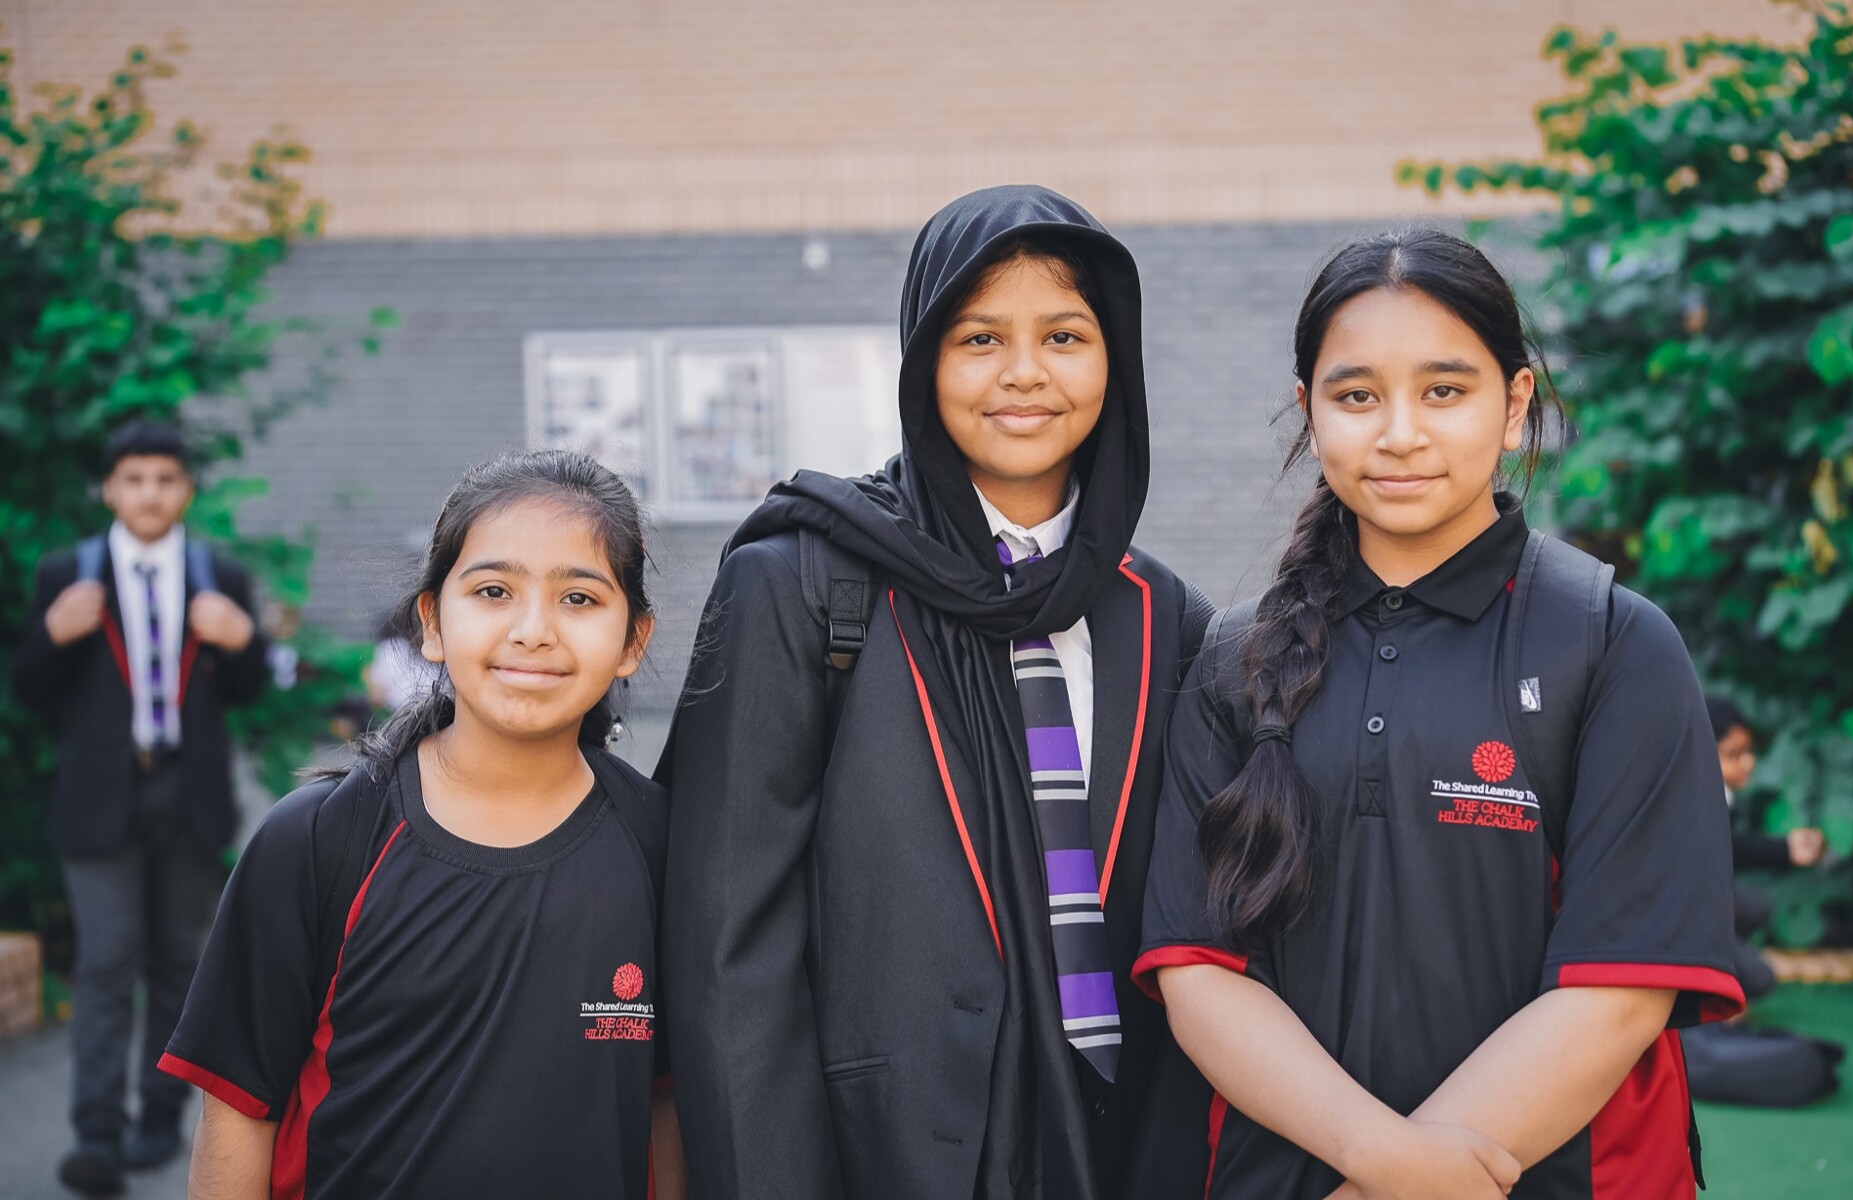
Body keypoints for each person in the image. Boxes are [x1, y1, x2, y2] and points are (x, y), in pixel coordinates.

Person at [1135, 230, 1744, 1199]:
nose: (1399, 433)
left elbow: (1621, 987)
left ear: (1514, 409)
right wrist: (1382, 1164)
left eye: (1444, 391)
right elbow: (1197, 970)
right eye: (1355, 395)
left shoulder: (1612, 645)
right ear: (1307, 415)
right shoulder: (1230, 660)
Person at [659, 185, 1213, 1200]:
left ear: (1113, 360)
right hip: (885, 1151)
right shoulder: (801, 580)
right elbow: (725, 948)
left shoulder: (1164, 617)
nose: (1022, 373)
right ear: (922, 361)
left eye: (1063, 335)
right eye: (977, 338)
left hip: (1113, 1146)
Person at [158, 450, 683, 1199]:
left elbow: (667, 1106)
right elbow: (240, 1110)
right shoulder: (319, 839)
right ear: (431, 622)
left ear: (634, 638)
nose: (533, 630)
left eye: (580, 599)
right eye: (494, 590)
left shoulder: (663, 845)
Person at [13, 419, 269, 1196]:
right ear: (110, 490)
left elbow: (251, 690)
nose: (150, 493)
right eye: (134, 480)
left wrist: (244, 641)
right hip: (100, 798)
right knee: (103, 963)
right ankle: (96, 1132)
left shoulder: (217, 574)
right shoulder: (68, 574)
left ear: (186, 489)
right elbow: (30, 692)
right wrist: (52, 640)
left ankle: (159, 1121)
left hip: (185, 795)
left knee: (175, 966)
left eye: (165, 479)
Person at [1706, 695, 1826, 1001]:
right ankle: (1712, 987)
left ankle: (1719, 972)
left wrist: (1785, 849)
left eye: (1749, 752)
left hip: (1705, 903)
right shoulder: (1692, 799)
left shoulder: (1719, 793)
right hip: (1685, 915)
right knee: (1758, 978)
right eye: (1734, 754)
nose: (1748, 762)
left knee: (1755, 907)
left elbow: (1728, 849)